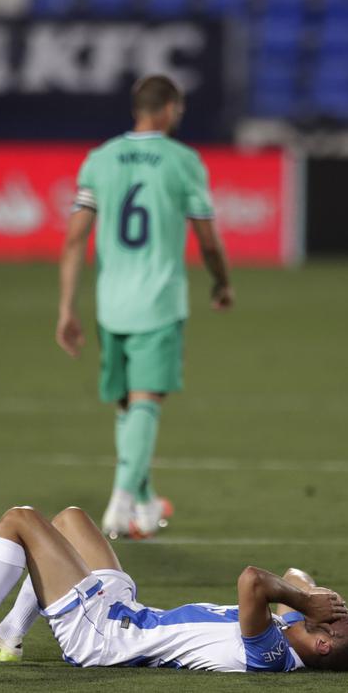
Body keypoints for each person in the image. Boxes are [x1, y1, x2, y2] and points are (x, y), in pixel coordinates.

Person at [57, 74, 234, 540]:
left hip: (110, 301)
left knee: (126, 405)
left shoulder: (100, 159)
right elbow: (207, 237)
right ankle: (119, 506)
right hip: (158, 299)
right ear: (170, 108)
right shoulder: (183, 161)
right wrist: (221, 281)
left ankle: (144, 502)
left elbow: (75, 239)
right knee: (145, 402)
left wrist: (66, 307)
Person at [0, 505, 348, 672]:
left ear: (323, 645)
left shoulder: (273, 655)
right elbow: (296, 576)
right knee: (69, 520)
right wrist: (313, 595)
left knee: (19, 520)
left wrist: (303, 599)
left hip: (103, 637)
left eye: (340, 622)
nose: (337, 612)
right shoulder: (298, 628)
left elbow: (254, 580)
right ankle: (8, 637)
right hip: (128, 612)